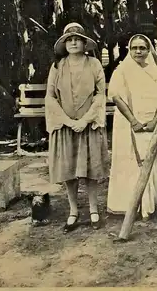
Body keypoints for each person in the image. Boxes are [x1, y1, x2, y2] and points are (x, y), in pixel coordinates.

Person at [45, 22, 109, 233]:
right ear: (64, 44)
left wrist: (85, 120)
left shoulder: (94, 64)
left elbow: (100, 94)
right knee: (69, 169)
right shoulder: (58, 66)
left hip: (87, 125)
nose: (73, 42)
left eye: (77, 39)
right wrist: (67, 120)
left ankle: (93, 209)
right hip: (66, 125)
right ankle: (73, 211)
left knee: (90, 169)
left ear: (84, 43)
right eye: (69, 39)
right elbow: (51, 97)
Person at [106, 34, 157, 221]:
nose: (139, 51)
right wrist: (133, 121)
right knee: (128, 163)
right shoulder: (122, 70)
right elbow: (116, 96)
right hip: (128, 124)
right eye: (135, 48)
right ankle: (128, 206)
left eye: (142, 48)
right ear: (129, 50)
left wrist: (156, 121)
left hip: (153, 124)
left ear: (149, 50)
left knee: (153, 162)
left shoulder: (156, 72)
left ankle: (147, 206)